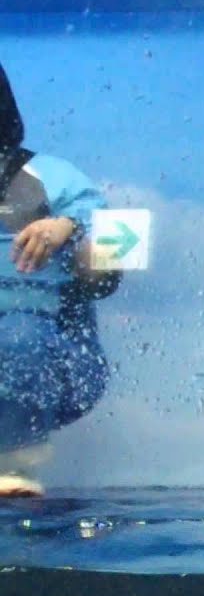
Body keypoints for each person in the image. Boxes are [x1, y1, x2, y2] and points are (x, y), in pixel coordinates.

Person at [0, 62, 121, 498]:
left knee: (16, 337)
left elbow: (116, 245)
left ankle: (11, 461)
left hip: (59, 356)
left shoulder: (50, 178)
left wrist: (68, 226)